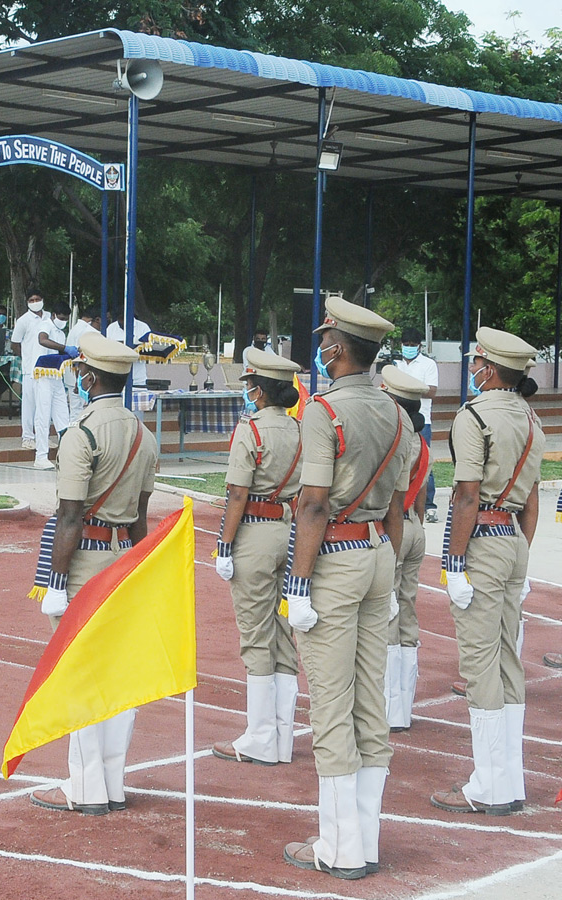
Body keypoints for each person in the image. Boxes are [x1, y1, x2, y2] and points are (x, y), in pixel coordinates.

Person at [282, 296, 409, 881]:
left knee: (332, 707)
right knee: (368, 702)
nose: (321, 347)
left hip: (333, 556)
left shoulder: (323, 411)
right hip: (378, 552)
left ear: (336, 348)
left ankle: (339, 848)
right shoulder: (396, 413)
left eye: (325, 340)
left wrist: (299, 584)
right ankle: (366, 838)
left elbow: (312, 503)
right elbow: (400, 504)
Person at [29, 331, 158, 816]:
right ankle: (112, 780)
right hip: (125, 556)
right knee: (118, 674)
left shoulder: (80, 432)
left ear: (89, 375)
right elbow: (143, 516)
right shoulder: (143, 434)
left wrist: (56, 585)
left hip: (86, 560)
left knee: (80, 673)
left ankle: (84, 787)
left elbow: (69, 516)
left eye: (81, 371)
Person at [433, 327, 543, 817]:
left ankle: (489, 786)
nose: (473, 370)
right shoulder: (532, 419)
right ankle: (507, 778)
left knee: (481, 663)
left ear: (490, 369)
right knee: (507, 660)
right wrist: (520, 554)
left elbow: (466, 495)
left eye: (477, 363)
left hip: (483, 540)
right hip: (515, 539)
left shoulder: (474, 416)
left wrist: (454, 562)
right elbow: (534, 502)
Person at [212, 347, 303, 767]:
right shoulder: (301, 431)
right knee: (285, 634)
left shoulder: (251, 431)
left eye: (251, 386)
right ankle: (281, 737)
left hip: (254, 531)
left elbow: (236, 493)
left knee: (255, 634)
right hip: (291, 528)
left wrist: (225, 544)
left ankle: (260, 737)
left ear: (260, 392)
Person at [378, 366, 432, 734]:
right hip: (415, 527)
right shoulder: (422, 443)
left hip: (393, 527)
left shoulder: (394, 439)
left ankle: (388, 707)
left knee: (386, 615)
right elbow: (422, 493)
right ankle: (404, 707)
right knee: (407, 613)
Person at [394, 328, 439, 522]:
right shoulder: (395, 364)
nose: (409, 348)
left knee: (423, 462)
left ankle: (428, 505)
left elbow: (432, 391)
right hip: (398, 418)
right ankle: (401, 501)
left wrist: (408, 388)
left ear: (419, 347)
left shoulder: (428, 365)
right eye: (406, 345)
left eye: (413, 346)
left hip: (422, 421)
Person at [30, 301, 73, 469]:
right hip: (42, 377)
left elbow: (60, 352)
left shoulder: (61, 333)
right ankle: (40, 456)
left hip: (56, 378)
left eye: (66, 319)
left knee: (64, 417)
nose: (63, 321)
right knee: (43, 415)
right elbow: (43, 340)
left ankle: (66, 454)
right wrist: (65, 348)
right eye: (61, 318)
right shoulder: (45, 325)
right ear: (54, 315)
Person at [11, 292, 48, 449]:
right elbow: (15, 343)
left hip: (47, 369)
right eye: (31, 300)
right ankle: (27, 437)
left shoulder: (49, 317)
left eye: (37, 299)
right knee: (29, 405)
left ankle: (42, 437)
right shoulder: (23, 321)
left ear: (42, 300)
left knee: (45, 405)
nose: (35, 302)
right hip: (30, 370)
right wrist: (26, 358)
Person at [106, 311, 151, 388]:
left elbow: (149, 350)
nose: (121, 323)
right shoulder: (111, 328)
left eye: (123, 319)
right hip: (116, 378)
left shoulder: (143, 327)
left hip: (138, 379)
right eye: (119, 320)